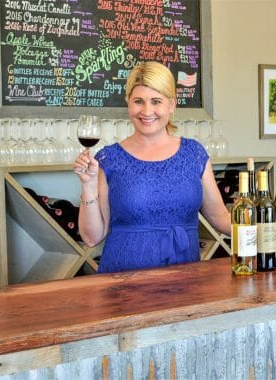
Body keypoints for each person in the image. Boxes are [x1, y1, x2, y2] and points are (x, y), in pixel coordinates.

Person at [74, 61, 231, 273]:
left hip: (184, 279)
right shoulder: (109, 158)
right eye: (138, 101)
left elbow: (219, 217)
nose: (147, 111)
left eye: (156, 101)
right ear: (128, 103)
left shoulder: (194, 154)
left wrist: (264, 233)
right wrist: (88, 185)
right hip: (123, 283)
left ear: (172, 105)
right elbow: (92, 238)